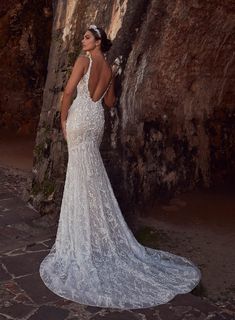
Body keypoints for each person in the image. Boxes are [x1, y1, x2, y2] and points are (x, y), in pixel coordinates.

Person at [39, 24, 201, 310]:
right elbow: (110, 102)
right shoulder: (108, 68)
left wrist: (63, 120)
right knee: (90, 173)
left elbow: (67, 92)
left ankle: (81, 240)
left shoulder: (84, 60)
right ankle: (93, 235)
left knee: (80, 174)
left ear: (98, 41)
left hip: (79, 118)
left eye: (87, 37)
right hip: (96, 121)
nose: (82, 40)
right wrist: (109, 81)